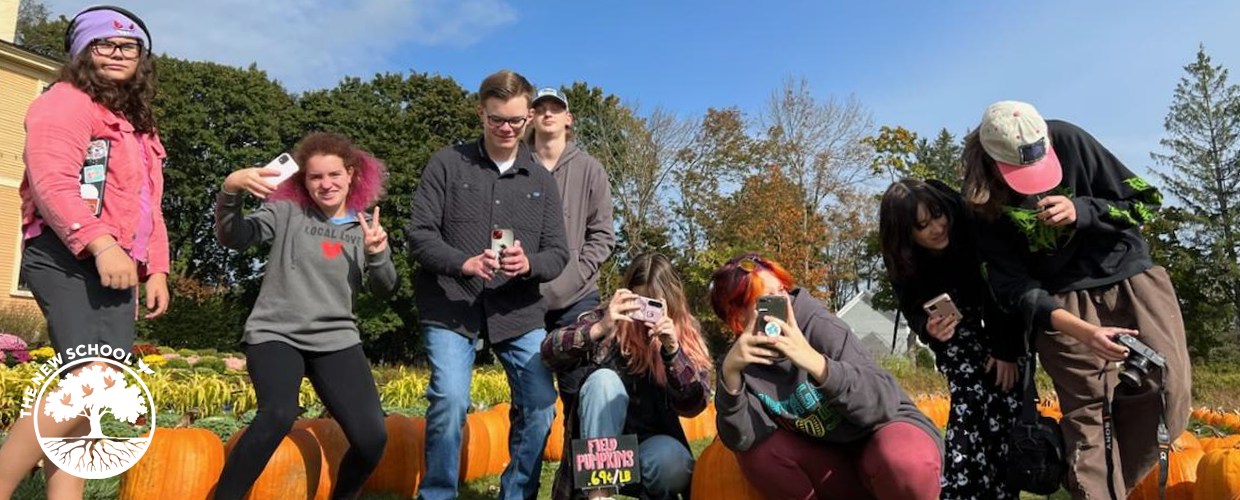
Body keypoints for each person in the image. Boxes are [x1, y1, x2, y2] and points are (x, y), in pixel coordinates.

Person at [961, 100, 1191, 499]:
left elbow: (1144, 202)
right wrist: (1070, 333)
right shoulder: (980, 204)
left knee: (1168, 390)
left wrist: (1082, 210)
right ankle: (1096, 488)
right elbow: (1010, 288)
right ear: (992, 162)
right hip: (1060, 305)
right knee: (1089, 419)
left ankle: (1106, 483)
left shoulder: (1068, 139)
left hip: (1128, 278)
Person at [0, 6, 169, 499]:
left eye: (128, 46)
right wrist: (101, 244)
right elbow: (52, 182)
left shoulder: (138, 125)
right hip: (68, 254)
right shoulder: (65, 102)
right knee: (95, 376)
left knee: (87, 388)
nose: (117, 53)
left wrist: (157, 268)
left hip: (117, 264)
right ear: (81, 52)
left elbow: (148, 204)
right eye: (104, 44)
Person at [406, 70, 568, 500]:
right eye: (497, 119)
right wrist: (463, 263)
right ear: (480, 112)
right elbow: (420, 235)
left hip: (517, 309)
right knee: (450, 399)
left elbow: (558, 252)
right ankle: (437, 494)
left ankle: (516, 493)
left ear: (529, 117)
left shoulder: (541, 180)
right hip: (451, 304)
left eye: (516, 120)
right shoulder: (446, 164)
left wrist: (529, 263)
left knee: (540, 404)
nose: (507, 129)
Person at [212, 132, 397, 500]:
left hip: (336, 339)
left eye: (334, 175)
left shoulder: (365, 227)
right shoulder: (287, 212)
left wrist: (378, 253)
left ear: (351, 174)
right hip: (276, 334)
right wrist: (230, 190)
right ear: (304, 180)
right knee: (278, 414)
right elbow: (235, 237)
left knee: (372, 438)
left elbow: (385, 288)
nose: (326, 184)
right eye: (316, 177)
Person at [709, 253, 943, 500]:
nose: (783, 302)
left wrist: (815, 362)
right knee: (759, 454)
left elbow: (882, 403)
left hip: (883, 439)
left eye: (782, 291)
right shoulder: (740, 361)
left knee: (902, 460)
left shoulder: (817, 324)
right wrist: (730, 376)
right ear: (738, 315)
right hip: (833, 463)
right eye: (767, 299)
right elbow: (741, 440)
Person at [880, 178, 1025, 499]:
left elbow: (1002, 288)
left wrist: (1006, 350)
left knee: (1006, 424)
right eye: (922, 226)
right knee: (970, 413)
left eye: (937, 215)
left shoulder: (971, 224)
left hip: (1002, 327)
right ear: (906, 235)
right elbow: (912, 308)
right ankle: (962, 488)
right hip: (959, 344)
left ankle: (997, 489)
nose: (936, 227)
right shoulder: (904, 261)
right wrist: (927, 328)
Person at [541, 252, 711, 500]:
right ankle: (599, 494)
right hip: (599, 445)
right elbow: (549, 352)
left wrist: (672, 352)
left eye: (654, 305)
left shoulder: (683, 336)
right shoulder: (609, 319)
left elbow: (694, 404)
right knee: (604, 381)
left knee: (675, 462)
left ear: (670, 300)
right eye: (640, 303)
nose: (645, 315)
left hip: (647, 451)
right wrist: (599, 328)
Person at [528, 85, 616, 423]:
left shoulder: (590, 169)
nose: (547, 113)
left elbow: (603, 235)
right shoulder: (516, 167)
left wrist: (575, 272)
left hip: (577, 299)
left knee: (578, 393)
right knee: (529, 399)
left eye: (555, 108)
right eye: (540, 108)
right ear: (530, 118)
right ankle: (529, 462)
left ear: (568, 118)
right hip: (524, 299)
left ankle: (575, 459)